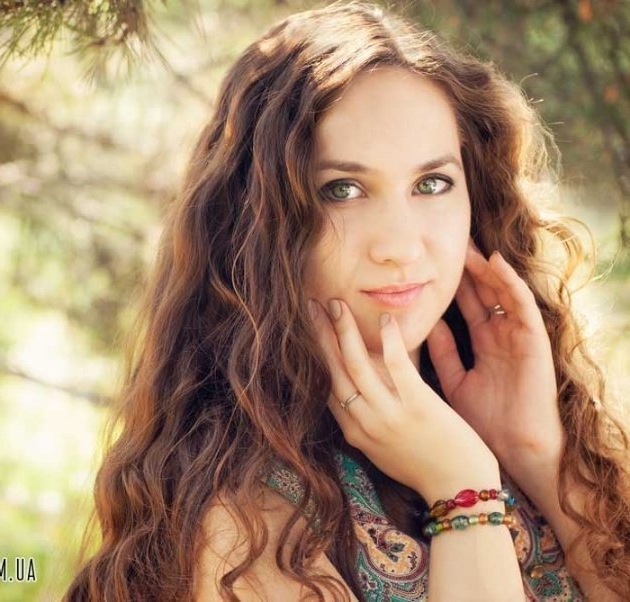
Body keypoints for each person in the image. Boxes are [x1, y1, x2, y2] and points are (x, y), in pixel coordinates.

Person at [64, 2, 630, 600]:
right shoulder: (241, 527)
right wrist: (462, 492)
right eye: (342, 190)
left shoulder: (527, 429)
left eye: (432, 183)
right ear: (258, 224)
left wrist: (538, 452)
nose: (400, 246)